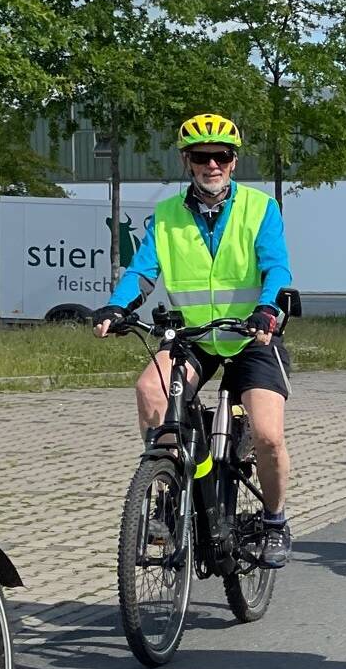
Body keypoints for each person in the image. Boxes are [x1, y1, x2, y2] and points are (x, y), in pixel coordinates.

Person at [93, 113, 297, 568]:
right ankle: (167, 488)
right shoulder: (167, 214)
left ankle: (275, 520)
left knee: (267, 433)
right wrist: (117, 306)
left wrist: (268, 309)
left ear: (233, 161)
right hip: (194, 337)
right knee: (150, 387)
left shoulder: (260, 208)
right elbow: (143, 271)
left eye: (220, 156)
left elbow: (276, 268)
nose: (212, 165)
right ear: (187, 161)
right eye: (202, 157)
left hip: (250, 335)